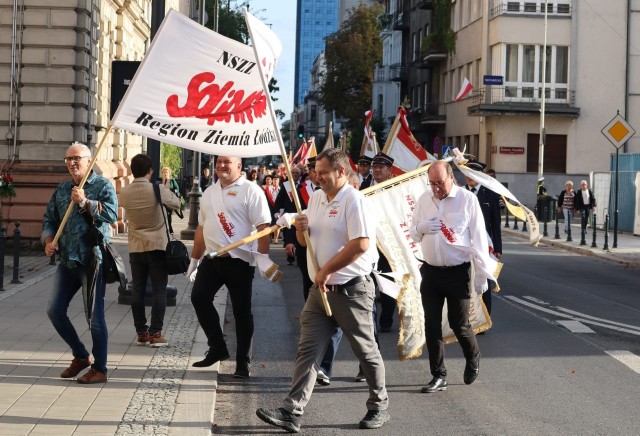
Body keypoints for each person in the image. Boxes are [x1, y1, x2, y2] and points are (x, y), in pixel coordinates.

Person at [256, 148, 390, 432]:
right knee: (307, 349)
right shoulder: (316, 198)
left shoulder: (355, 201)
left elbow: (361, 244)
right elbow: (307, 245)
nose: (318, 177)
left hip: (351, 290)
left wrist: (327, 270)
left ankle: (379, 405)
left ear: (341, 172)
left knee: (365, 350)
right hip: (321, 291)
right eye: (316, 171)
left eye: (324, 172)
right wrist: (302, 229)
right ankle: (292, 411)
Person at [410, 160, 491, 393]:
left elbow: (478, 239)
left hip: (458, 272)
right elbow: (414, 231)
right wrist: (423, 227)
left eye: (440, 183)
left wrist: (481, 275)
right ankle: (438, 375)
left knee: (459, 324)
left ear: (451, 178)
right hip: (432, 271)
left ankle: (473, 356)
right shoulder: (425, 200)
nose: (436, 188)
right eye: (432, 183)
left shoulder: (467, 200)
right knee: (432, 325)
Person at [188, 156, 271, 378]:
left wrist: (263, 257)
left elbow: (264, 227)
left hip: (240, 260)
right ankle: (217, 348)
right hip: (213, 258)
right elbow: (201, 229)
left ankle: (243, 362)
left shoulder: (251, 190)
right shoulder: (209, 192)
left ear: (239, 166)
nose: (222, 166)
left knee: (241, 312)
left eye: (227, 162)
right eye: (219, 162)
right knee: (199, 298)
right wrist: (194, 260)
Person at [42, 142, 118, 384]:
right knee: (54, 310)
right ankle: (81, 356)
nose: (72, 163)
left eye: (77, 158)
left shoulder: (103, 185)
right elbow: (50, 218)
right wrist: (48, 239)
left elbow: (112, 215)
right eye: (68, 159)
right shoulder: (63, 189)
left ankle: (101, 369)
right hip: (67, 260)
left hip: (91, 260)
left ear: (89, 161)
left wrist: (86, 202)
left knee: (94, 317)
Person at [120, 154, 181, 348]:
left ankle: (141, 333)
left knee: (137, 290)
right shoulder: (157, 189)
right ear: (150, 171)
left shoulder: (124, 191)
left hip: (136, 247)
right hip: (157, 247)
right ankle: (156, 334)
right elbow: (177, 203)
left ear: (131, 171)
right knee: (159, 291)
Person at [464, 162, 502, 316]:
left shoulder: (490, 195)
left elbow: (495, 223)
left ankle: (484, 319)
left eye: (472, 174)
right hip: (464, 245)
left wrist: (498, 248)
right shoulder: (459, 193)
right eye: (466, 173)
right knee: (465, 282)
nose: (469, 177)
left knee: (483, 280)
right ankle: (467, 318)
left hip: (485, 245)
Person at [369, 152, 396, 332]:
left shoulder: (395, 189)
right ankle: (368, 321)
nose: (377, 170)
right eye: (375, 167)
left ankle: (386, 319)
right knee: (367, 285)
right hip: (368, 243)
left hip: (388, 245)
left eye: (381, 167)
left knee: (387, 285)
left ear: (389, 170)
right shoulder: (362, 187)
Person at [160, 167, 182, 234]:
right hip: (161, 201)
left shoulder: (172, 181)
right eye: (164, 172)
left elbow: (177, 188)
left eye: (166, 172)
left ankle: (170, 227)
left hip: (169, 200)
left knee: (168, 214)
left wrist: (175, 193)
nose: (165, 174)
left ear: (169, 173)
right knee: (162, 215)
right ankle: (164, 228)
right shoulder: (160, 181)